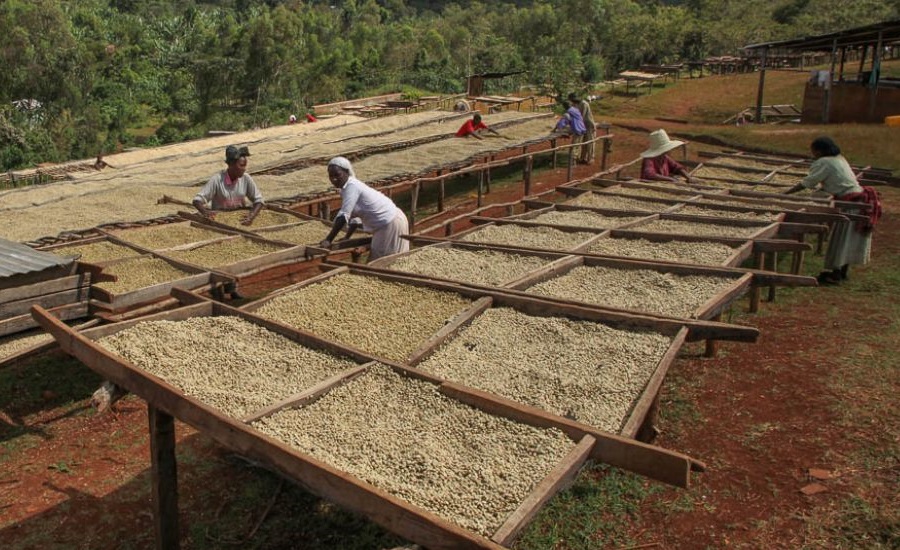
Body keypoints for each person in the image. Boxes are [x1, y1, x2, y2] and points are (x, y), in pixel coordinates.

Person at [785, 136, 881, 284]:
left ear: (819, 150)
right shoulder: (839, 158)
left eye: (814, 151)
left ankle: (836, 275)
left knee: (843, 238)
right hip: (858, 199)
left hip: (851, 202)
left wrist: (784, 194)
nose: (813, 154)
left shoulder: (824, 162)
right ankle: (842, 272)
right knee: (849, 238)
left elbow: (808, 182)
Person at [319, 157, 410, 261]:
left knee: (384, 261)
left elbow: (343, 216)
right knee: (387, 259)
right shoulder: (346, 189)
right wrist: (347, 237)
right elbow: (353, 218)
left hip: (390, 223)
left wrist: (328, 240)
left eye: (337, 175)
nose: (334, 179)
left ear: (347, 172)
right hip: (389, 222)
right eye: (331, 176)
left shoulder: (352, 186)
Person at [193, 145, 264, 226]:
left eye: (245, 165)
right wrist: (206, 213)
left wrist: (251, 216)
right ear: (231, 164)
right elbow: (197, 201)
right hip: (220, 221)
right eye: (241, 165)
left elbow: (259, 200)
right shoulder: (217, 179)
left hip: (240, 220)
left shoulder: (246, 178)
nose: (244, 169)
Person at [568, 93, 596, 164]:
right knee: (583, 142)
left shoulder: (584, 104)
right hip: (582, 125)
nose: (572, 101)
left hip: (588, 125)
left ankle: (591, 158)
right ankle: (583, 157)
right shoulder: (574, 105)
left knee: (590, 142)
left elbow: (581, 117)